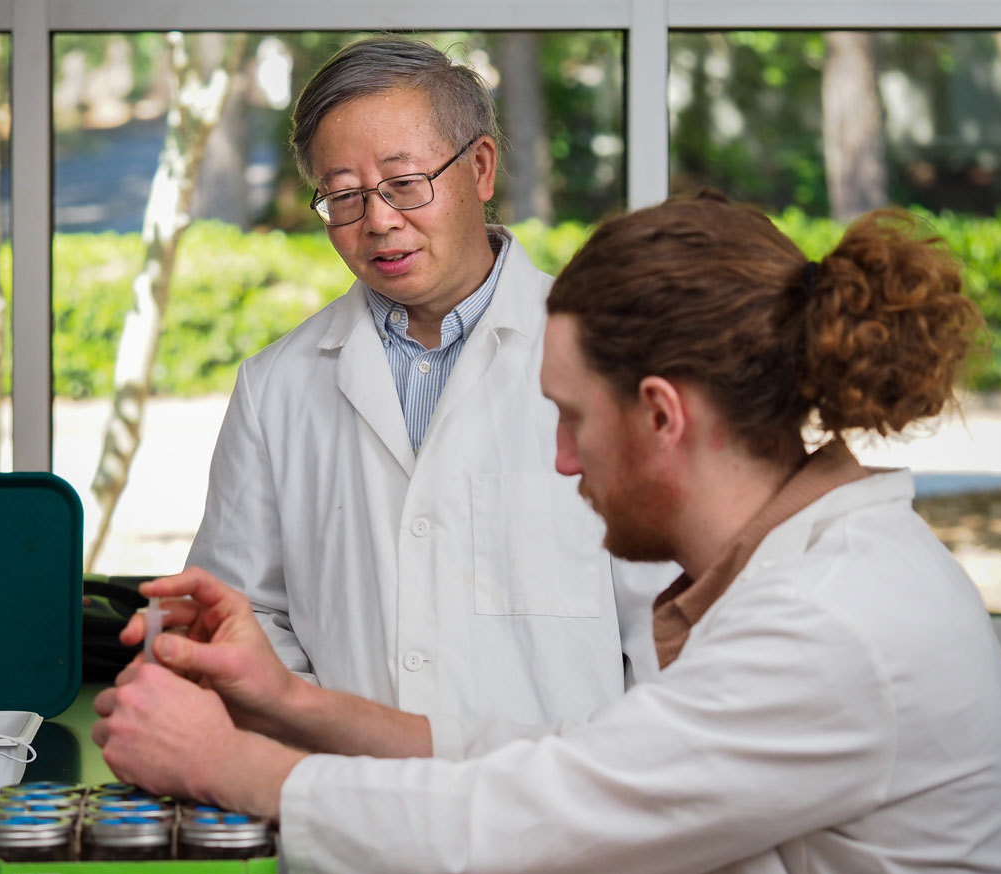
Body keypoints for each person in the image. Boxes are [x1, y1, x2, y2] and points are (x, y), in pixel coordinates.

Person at [94, 191, 1001, 874]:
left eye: (571, 417)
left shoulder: (826, 622)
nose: (558, 460)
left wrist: (227, 764)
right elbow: (573, 758)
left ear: (661, 414)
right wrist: (291, 704)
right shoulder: (814, 575)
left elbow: (528, 820)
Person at [185, 35, 671, 729]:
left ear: (480, 167)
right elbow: (240, 612)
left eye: (405, 184)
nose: (379, 221)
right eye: (344, 196)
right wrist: (332, 739)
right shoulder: (277, 386)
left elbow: (668, 623)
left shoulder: (617, 353)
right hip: (354, 805)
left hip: (565, 813)